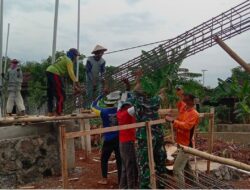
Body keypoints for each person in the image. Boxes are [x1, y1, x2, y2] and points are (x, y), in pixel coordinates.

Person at [131, 70, 168, 189]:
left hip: (145, 136)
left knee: (144, 166)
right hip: (157, 134)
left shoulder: (137, 100)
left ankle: (146, 187)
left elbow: (135, 91)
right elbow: (161, 96)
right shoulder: (155, 100)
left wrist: (138, 79)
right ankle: (161, 186)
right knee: (160, 162)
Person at [165, 86, 199, 188]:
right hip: (181, 143)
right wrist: (179, 93)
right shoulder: (184, 108)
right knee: (186, 168)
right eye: (185, 99)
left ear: (192, 101)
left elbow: (186, 127)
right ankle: (196, 186)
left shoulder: (194, 114)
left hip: (186, 145)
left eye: (187, 99)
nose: (185, 101)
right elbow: (180, 101)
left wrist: (172, 120)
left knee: (177, 169)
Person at [91, 90, 122, 185]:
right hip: (118, 138)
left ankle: (104, 178)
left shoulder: (103, 112)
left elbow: (92, 106)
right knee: (119, 160)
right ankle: (120, 180)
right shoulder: (119, 110)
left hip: (108, 139)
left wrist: (101, 95)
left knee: (104, 159)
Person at [117, 79, 138, 189]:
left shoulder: (119, 111)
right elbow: (138, 105)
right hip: (128, 142)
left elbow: (123, 99)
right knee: (131, 167)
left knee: (125, 166)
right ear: (127, 106)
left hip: (122, 142)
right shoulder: (128, 112)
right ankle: (131, 187)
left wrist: (128, 86)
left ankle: (123, 187)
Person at [46, 48, 80, 116]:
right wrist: (77, 83)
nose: (76, 58)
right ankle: (59, 112)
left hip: (48, 71)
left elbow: (68, 74)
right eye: (76, 56)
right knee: (61, 95)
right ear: (72, 55)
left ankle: (50, 112)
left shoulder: (62, 57)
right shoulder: (68, 60)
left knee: (50, 93)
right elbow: (71, 73)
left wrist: (74, 85)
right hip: (55, 73)